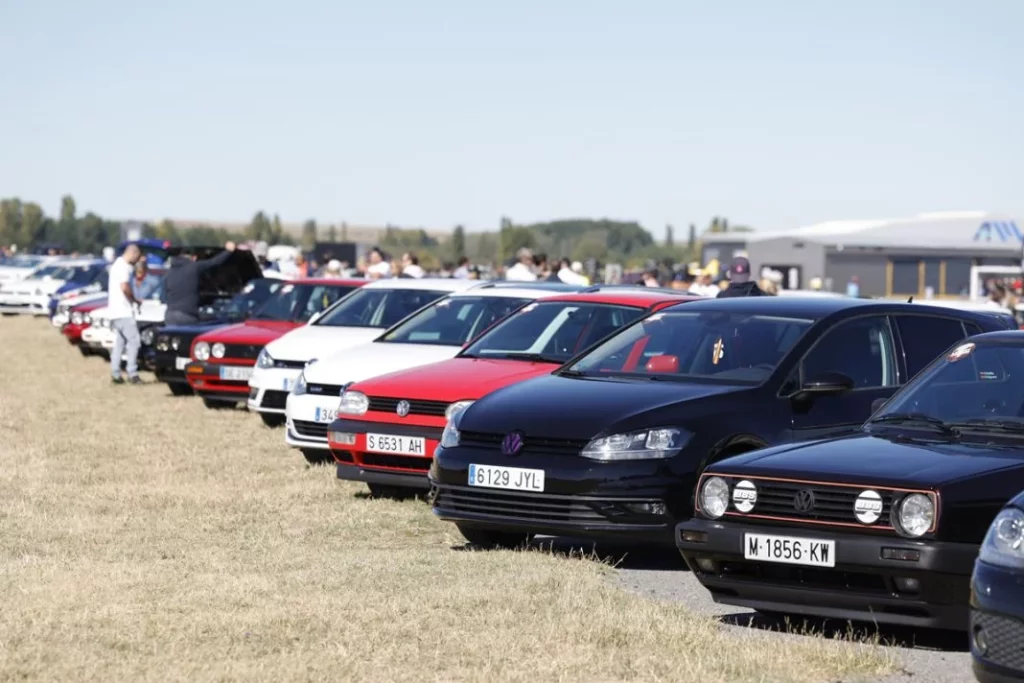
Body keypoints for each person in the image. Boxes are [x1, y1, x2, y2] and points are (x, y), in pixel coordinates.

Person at [164, 242, 236, 325]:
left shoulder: (169, 272)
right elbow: (214, 262)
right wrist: (229, 251)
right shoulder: (194, 267)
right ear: (194, 258)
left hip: (169, 315)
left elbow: (167, 293)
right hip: (186, 316)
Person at [108, 244, 145, 385]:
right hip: (123, 311)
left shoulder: (116, 265)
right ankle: (132, 373)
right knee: (134, 341)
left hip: (115, 312)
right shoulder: (123, 267)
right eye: (137, 257)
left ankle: (116, 373)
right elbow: (124, 287)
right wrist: (134, 300)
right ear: (133, 253)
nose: (137, 260)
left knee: (120, 343)